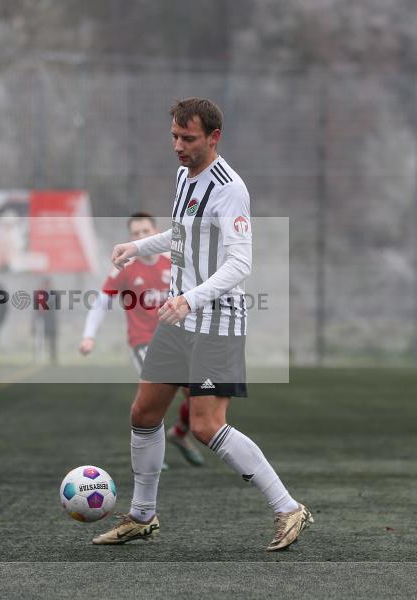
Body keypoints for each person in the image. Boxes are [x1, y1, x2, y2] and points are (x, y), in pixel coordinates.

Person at [92, 98, 312, 551]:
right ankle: (142, 516)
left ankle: (289, 508)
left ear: (214, 138)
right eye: (174, 136)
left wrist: (190, 300)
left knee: (206, 426)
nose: (177, 145)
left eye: (187, 138)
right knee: (144, 413)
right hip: (181, 318)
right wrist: (138, 248)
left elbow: (240, 263)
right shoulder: (182, 175)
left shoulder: (231, 189)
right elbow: (182, 234)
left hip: (216, 320)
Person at [79, 213, 203, 467]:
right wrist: (88, 336)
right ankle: (152, 455)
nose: (140, 237)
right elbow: (102, 301)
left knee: (198, 394)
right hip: (144, 342)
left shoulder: (174, 263)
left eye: (145, 231)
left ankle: (179, 434)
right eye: (135, 233)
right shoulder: (125, 267)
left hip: (179, 340)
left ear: (156, 231)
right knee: (155, 396)